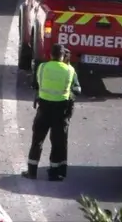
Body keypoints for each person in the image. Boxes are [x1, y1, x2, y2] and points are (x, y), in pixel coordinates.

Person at [25, 43, 80, 181]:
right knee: (57, 142)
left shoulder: (42, 67)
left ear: (51, 54)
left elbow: (35, 84)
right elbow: (77, 90)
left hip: (43, 108)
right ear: (63, 55)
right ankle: (54, 173)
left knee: (37, 140)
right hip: (60, 111)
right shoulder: (70, 70)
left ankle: (32, 172)